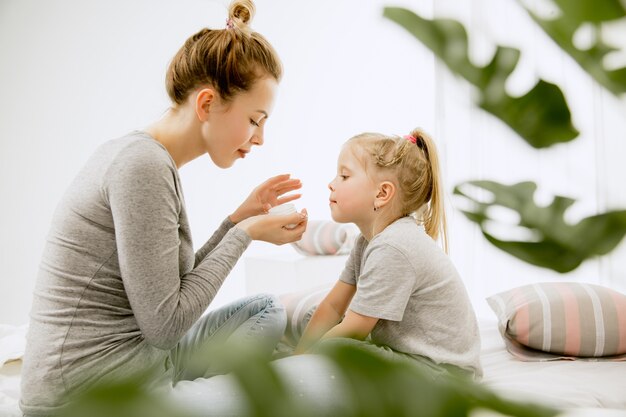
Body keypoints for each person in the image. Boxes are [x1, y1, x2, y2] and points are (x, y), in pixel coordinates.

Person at [19, 1, 308, 415]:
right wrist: (246, 234)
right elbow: (166, 326)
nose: (259, 138)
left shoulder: (148, 159)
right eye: (255, 120)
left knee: (265, 309)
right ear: (207, 104)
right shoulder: (143, 166)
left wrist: (237, 220)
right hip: (84, 395)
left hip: (134, 361)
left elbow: (171, 295)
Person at [294, 129, 482, 379]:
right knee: (314, 319)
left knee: (337, 346)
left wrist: (303, 363)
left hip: (441, 373)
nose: (331, 183)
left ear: (382, 194)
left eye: (344, 176)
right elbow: (332, 305)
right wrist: (298, 357)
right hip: (409, 359)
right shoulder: (367, 242)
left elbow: (354, 329)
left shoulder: (394, 247)